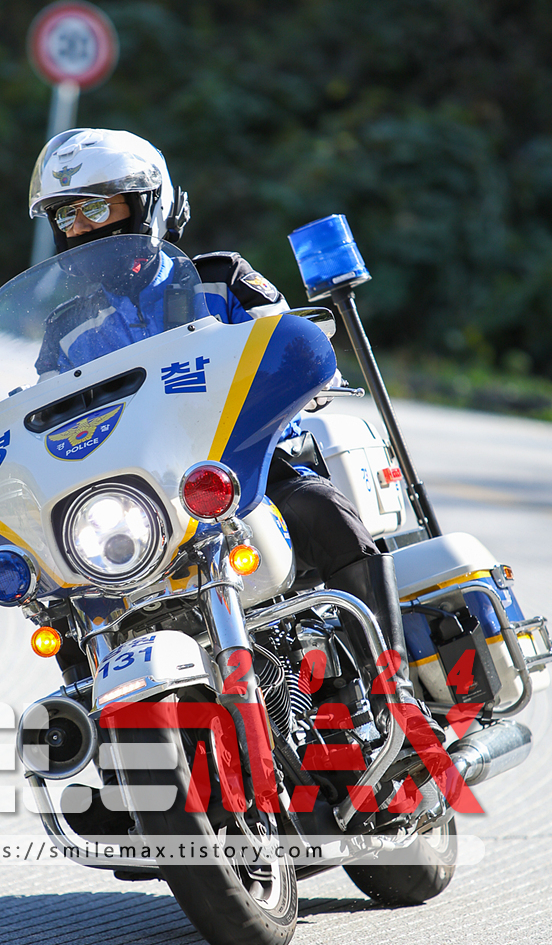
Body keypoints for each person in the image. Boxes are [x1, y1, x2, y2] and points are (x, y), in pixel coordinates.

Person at [27, 128, 423, 717]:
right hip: (138, 500)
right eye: (66, 215)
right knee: (60, 596)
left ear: (147, 205)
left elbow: (292, 341)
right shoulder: (66, 330)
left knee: (325, 512)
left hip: (245, 470)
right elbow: (43, 419)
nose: (80, 227)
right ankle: (101, 729)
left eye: (96, 208)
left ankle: (393, 694)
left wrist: (310, 372)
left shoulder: (220, 279)